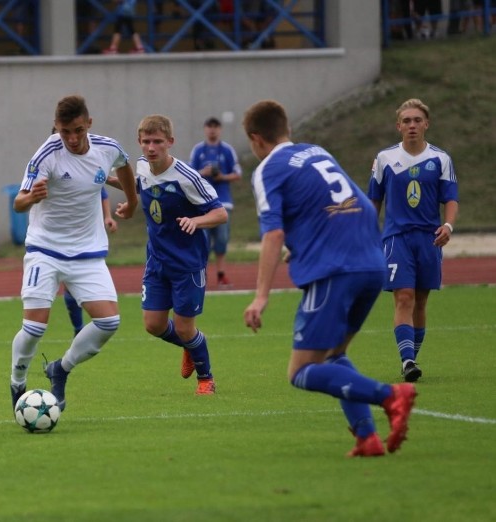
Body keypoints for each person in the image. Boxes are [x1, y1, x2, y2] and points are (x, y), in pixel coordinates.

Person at [241, 100, 417, 458]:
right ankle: (366, 437)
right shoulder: (315, 151)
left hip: (334, 271)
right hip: (370, 264)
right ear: (286, 128)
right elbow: (358, 204)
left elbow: (272, 234)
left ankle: (390, 395)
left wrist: (261, 296)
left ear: (256, 139)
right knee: (334, 355)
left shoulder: (267, 169)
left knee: (302, 371)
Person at [9, 94, 138, 411]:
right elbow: (18, 202)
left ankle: (60, 369)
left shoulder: (107, 148)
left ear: (88, 124)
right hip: (45, 250)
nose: (72, 138)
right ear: (56, 127)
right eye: (65, 131)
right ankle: (17, 382)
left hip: (88, 253)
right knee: (34, 328)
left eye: (78, 130)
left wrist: (133, 202)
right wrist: (32, 197)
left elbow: (124, 167)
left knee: (109, 323)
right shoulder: (47, 155)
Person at [135, 114, 228, 395]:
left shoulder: (187, 177)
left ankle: (206, 379)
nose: (151, 147)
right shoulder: (141, 167)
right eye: (146, 141)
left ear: (170, 143)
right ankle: (191, 345)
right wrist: (104, 180)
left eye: (158, 142)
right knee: (153, 325)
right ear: (139, 143)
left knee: (187, 329)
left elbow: (220, 212)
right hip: (156, 260)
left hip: (187, 263)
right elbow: (136, 185)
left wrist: (196, 221)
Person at [368, 98, 459, 383]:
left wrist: (448, 225)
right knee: (404, 296)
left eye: (417, 120)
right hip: (396, 238)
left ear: (426, 124)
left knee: (420, 300)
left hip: (429, 239)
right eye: (406, 121)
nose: (411, 125)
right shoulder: (385, 159)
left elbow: (451, 199)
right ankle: (407, 360)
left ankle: (412, 357)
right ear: (398, 126)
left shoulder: (440, 159)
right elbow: (374, 200)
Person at [189, 116, 242, 287]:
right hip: (202, 203)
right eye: (209, 126)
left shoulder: (227, 150)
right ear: (205, 129)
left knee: (222, 239)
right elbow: (189, 175)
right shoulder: (198, 150)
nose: (212, 130)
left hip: (223, 201)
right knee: (202, 241)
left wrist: (222, 176)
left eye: (216, 126)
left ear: (220, 129)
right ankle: (201, 274)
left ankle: (221, 274)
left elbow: (237, 173)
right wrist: (202, 172)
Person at [64, 187, 118, 337]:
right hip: (64, 234)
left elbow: (102, 192)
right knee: (68, 282)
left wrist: (107, 217)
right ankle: (78, 328)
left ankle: (82, 327)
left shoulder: (91, 168)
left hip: (88, 237)